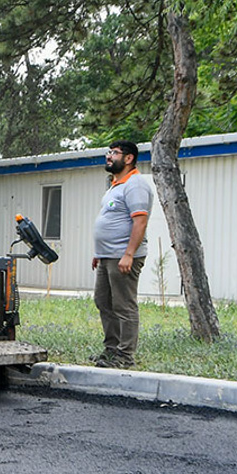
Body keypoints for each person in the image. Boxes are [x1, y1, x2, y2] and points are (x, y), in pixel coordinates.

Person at [90, 140, 153, 369]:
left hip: (124, 257)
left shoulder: (135, 185)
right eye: (108, 152)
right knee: (103, 301)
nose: (109, 156)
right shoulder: (116, 185)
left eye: (114, 153)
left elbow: (140, 220)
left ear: (129, 158)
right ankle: (111, 350)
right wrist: (99, 252)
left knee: (124, 306)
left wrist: (129, 254)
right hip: (108, 256)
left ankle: (125, 357)